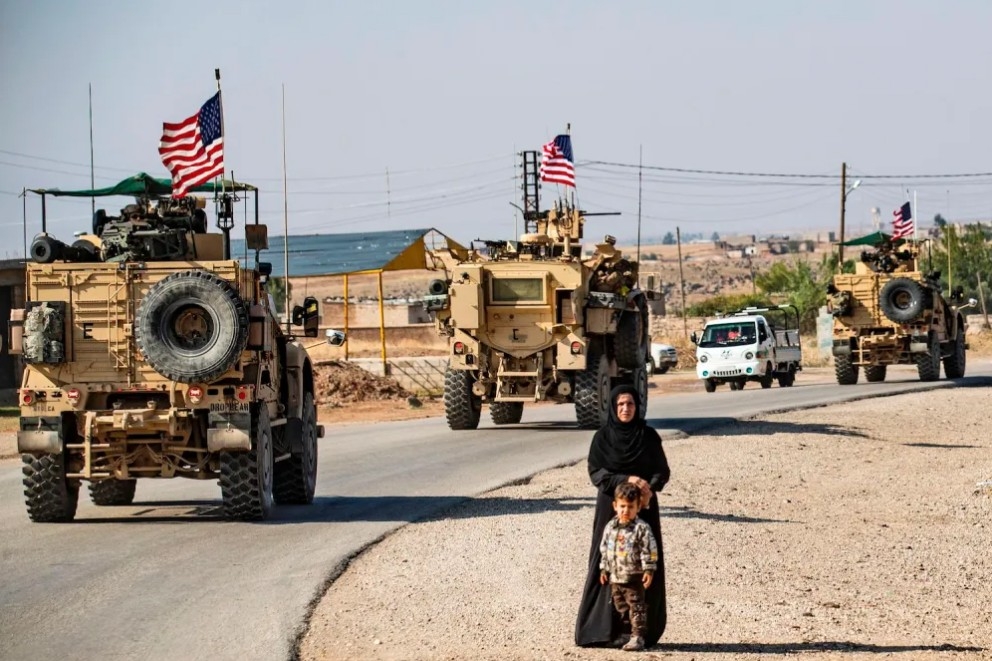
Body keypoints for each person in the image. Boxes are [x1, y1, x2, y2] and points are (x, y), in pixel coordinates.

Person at [575, 384, 671, 649]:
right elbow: (597, 473)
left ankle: (640, 631)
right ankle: (603, 629)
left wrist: (648, 488)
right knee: (607, 562)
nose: (625, 409)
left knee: (642, 562)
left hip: (644, 509)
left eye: (630, 404)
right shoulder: (602, 438)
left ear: (637, 406)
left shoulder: (648, 437)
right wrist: (626, 480)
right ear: (613, 408)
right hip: (610, 508)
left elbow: (662, 471)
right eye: (620, 405)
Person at [599, 482, 659, 651]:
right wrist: (604, 568)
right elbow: (605, 548)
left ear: (638, 507)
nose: (626, 510)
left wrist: (649, 568)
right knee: (621, 606)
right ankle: (625, 633)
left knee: (636, 606)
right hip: (616, 576)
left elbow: (650, 549)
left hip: (633, 575)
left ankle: (638, 636)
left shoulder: (641, 528)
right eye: (622, 506)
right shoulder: (611, 527)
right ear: (615, 506)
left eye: (630, 507)